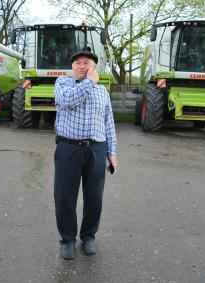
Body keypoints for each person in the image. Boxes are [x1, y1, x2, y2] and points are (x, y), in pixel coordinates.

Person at [53, 47, 118, 260]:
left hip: (96, 150)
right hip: (68, 148)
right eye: (78, 63)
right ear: (72, 66)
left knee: (94, 197)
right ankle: (68, 240)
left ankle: (89, 236)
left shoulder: (103, 92)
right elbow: (68, 102)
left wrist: (112, 152)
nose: (82, 66)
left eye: (87, 63)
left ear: (94, 67)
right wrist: (90, 82)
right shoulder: (63, 83)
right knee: (64, 197)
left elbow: (109, 123)